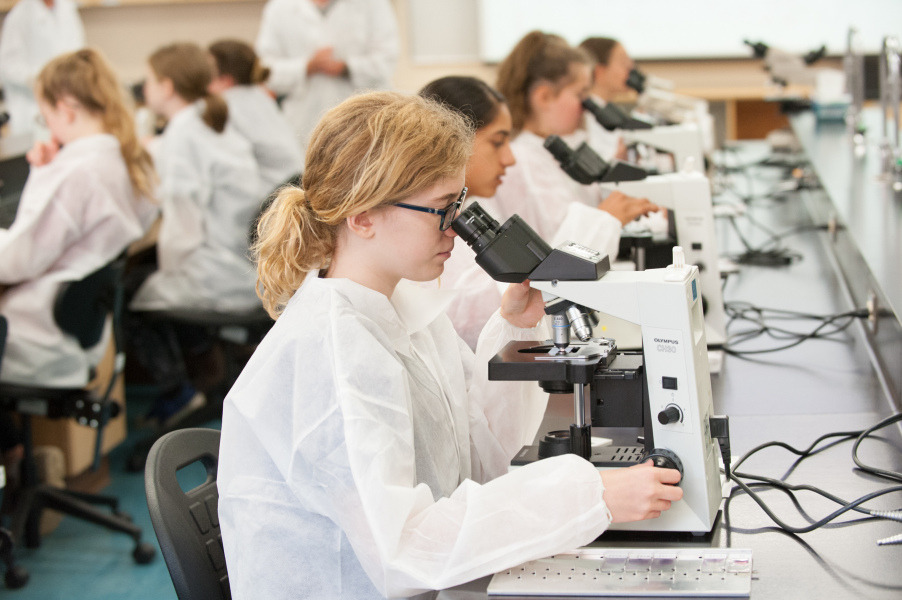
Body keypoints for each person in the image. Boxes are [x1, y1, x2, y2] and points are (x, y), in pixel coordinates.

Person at [217, 91, 682, 600]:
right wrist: (589, 493)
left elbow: (481, 455)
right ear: (363, 215)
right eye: (442, 210)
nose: (457, 232)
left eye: (460, 206)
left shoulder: (401, 310)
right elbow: (405, 549)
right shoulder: (333, 351)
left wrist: (515, 328)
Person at [0, 48, 157, 387]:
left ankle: (11, 441)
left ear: (67, 107)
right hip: (74, 335)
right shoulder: (124, 158)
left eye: (46, 118)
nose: (49, 129)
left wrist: (44, 175)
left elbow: (14, 262)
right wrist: (47, 170)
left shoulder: (75, 172)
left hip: (35, 338)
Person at [494, 31, 657, 263]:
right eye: (581, 94)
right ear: (545, 97)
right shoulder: (521, 162)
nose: (586, 107)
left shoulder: (550, 150)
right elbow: (554, 258)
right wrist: (606, 218)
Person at [130, 42, 263, 312]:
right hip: (242, 265)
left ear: (167, 87)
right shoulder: (206, 120)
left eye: (149, 80)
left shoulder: (183, 134)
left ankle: (196, 352)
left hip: (215, 276)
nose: (144, 88)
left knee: (133, 295)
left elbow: (182, 229)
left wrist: (171, 273)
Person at [418, 76, 515, 350]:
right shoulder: (420, 228)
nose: (510, 159)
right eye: (498, 142)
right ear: (451, 141)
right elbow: (462, 319)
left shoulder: (481, 206)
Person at [255, 0, 399, 153]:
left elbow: (387, 58)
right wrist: (306, 67)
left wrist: (347, 68)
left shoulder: (372, 4)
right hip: (303, 120)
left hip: (365, 117)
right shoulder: (280, 7)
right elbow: (265, 71)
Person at [208, 39, 303, 194]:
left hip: (270, 196)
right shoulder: (259, 95)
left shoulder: (227, 105)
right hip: (291, 184)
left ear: (225, 80)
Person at [0, 0, 85, 134]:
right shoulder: (19, 16)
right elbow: (8, 66)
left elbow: (78, 52)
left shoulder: (67, 9)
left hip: (66, 101)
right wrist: (42, 78)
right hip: (32, 107)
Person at [578, 36, 634, 161]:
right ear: (599, 71)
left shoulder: (608, 110)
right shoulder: (587, 117)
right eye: (623, 62)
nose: (630, 67)